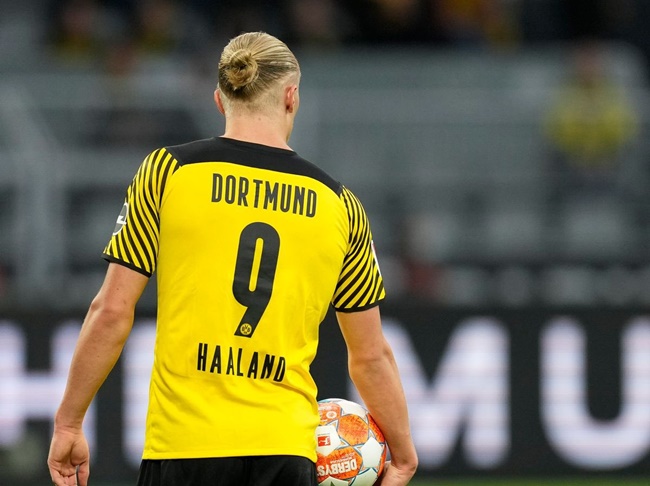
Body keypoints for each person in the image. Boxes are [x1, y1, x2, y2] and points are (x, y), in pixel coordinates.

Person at [47, 31, 418, 486]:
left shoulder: (168, 172)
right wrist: (403, 455)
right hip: (285, 450)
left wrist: (69, 423)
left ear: (220, 100)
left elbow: (110, 311)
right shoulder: (341, 205)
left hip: (184, 447)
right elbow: (370, 356)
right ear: (291, 97)